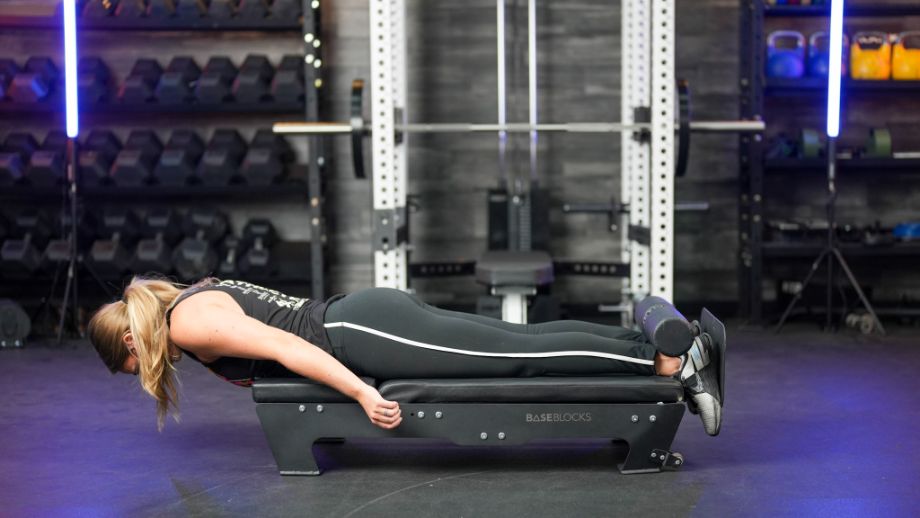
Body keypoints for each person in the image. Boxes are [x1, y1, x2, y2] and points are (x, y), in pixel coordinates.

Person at [88, 276, 725, 436]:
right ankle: (652, 337)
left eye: (133, 367)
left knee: (515, 356)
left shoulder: (190, 324)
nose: (150, 372)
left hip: (360, 334)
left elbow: (287, 344)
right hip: (363, 319)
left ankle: (668, 362)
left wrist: (365, 393)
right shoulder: (187, 301)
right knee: (520, 344)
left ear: (130, 341)